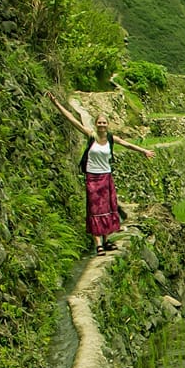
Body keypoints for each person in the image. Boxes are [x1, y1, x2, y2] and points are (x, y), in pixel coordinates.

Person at [46, 91, 155, 255]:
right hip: (92, 177)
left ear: (108, 124)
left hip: (106, 176)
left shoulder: (111, 138)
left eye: (104, 123)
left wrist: (144, 151)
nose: (102, 125)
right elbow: (72, 119)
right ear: (96, 124)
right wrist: (56, 104)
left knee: (108, 208)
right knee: (95, 210)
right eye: (100, 123)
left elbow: (127, 144)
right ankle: (98, 244)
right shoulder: (91, 135)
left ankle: (106, 240)